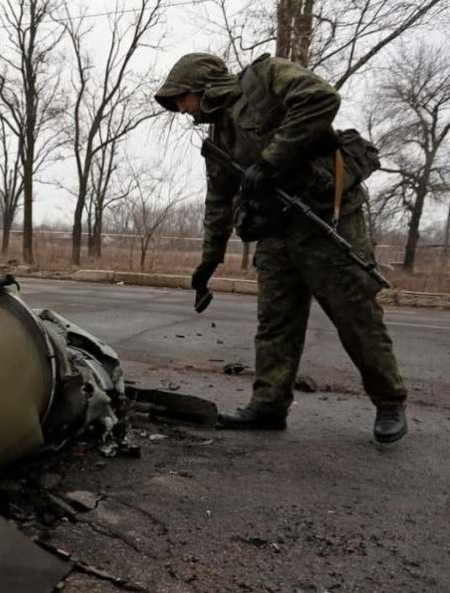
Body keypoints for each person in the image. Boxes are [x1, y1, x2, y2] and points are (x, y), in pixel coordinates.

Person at [154, 52, 408, 443]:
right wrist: (209, 262)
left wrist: (271, 161)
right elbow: (218, 201)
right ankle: (268, 406)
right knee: (275, 323)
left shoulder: (265, 77)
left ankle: (389, 401)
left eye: (182, 99)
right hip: (275, 230)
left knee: (355, 315)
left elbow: (321, 98)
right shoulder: (219, 138)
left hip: (325, 218)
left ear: (204, 86)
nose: (182, 109)